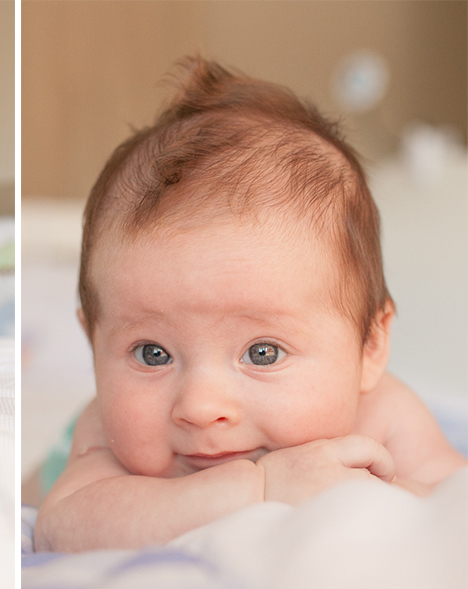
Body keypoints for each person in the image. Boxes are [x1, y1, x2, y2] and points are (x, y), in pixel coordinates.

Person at [34, 58, 466, 553]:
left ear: (370, 344)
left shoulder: (386, 413)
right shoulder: (108, 435)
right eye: (152, 353)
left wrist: (368, 493)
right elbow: (61, 527)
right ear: (93, 342)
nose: (201, 408)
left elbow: (450, 498)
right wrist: (259, 491)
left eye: (263, 352)